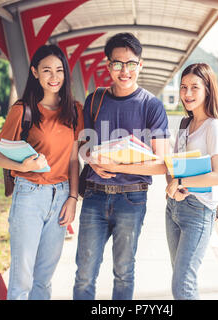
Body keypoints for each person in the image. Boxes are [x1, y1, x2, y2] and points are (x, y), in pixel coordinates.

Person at [73, 32, 170, 300]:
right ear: (108, 66)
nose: (124, 70)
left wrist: (119, 165)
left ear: (140, 65)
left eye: (130, 63)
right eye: (117, 64)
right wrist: (92, 158)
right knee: (84, 274)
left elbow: (162, 164)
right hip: (94, 194)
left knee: (124, 271)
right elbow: (82, 145)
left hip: (133, 198)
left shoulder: (151, 105)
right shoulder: (95, 99)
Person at [0, 44, 84, 300]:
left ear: (65, 73)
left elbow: (74, 159)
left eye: (59, 70)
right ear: (35, 72)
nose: (54, 77)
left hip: (62, 195)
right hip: (29, 195)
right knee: (22, 278)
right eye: (46, 71)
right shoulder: (22, 110)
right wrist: (23, 166)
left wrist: (73, 198)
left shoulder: (75, 111)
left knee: (43, 279)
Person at [165, 63, 218, 300]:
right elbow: (175, 167)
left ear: (208, 90)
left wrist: (181, 181)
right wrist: (173, 184)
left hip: (198, 211)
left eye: (195, 87)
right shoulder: (185, 124)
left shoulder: (213, 127)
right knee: (181, 279)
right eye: (183, 87)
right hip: (174, 208)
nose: (187, 94)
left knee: (183, 285)